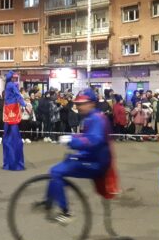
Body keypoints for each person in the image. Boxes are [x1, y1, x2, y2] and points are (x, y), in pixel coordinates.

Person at [45, 88, 112, 222]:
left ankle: (65, 212)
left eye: (82, 104)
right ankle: (50, 201)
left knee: (56, 172)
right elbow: (88, 137)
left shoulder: (96, 118)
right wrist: (73, 137)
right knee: (59, 168)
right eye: (77, 104)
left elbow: (94, 140)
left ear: (92, 103)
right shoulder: (92, 117)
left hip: (96, 163)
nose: (78, 106)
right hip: (92, 158)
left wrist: (72, 140)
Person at [2, 71, 30, 171]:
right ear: (12, 78)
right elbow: (18, 96)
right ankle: (16, 163)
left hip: (8, 112)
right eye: (15, 77)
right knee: (15, 139)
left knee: (7, 138)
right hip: (12, 111)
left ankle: (8, 163)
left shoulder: (8, 85)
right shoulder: (11, 85)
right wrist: (25, 105)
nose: (16, 79)